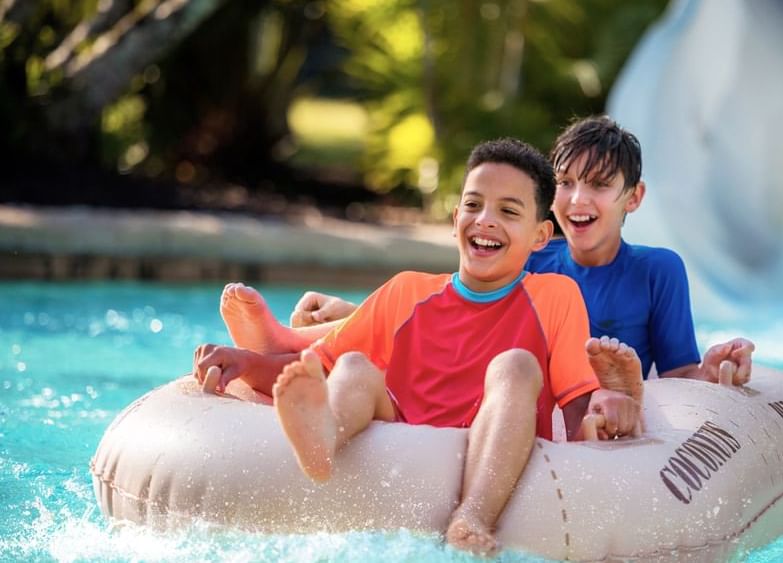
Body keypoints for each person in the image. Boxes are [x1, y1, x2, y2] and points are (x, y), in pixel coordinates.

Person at [192, 138, 642, 556]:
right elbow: (309, 368)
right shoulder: (405, 290)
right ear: (455, 220)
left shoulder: (555, 296)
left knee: (517, 365)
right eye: (473, 205)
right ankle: (322, 440)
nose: (485, 220)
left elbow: (578, 407)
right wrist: (245, 363)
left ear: (541, 236)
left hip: (495, 439)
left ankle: (473, 515)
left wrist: (611, 402)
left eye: (508, 211)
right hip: (404, 426)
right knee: (351, 365)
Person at [274, 116, 755, 384]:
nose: (576, 200)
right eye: (564, 183)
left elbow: (678, 373)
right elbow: (446, 314)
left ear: (634, 197)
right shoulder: (532, 257)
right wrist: (353, 311)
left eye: (599, 185)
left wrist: (710, 370)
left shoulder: (657, 271)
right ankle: (291, 339)